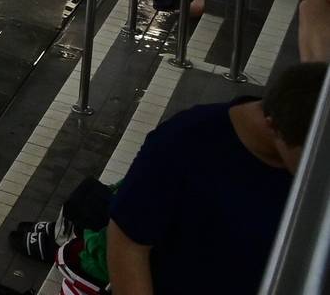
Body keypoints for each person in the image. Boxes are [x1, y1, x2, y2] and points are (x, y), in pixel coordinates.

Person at [105, 61, 325, 295]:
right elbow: (128, 244)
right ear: (272, 127)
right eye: (314, 157)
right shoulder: (186, 143)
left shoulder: (303, 146)